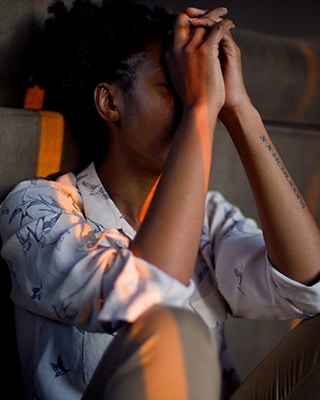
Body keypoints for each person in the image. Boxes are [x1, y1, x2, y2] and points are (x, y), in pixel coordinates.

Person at [0, 0, 319, 399]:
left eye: (200, 89)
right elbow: (153, 297)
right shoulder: (37, 210)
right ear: (111, 103)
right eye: (177, 88)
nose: (193, 101)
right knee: (174, 329)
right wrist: (200, 109)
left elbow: (309, 288)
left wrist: (239, 108)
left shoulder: (209, 215)